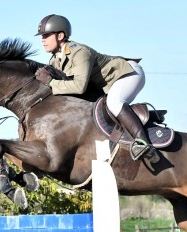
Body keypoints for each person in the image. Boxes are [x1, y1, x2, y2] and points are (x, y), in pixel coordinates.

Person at [34, 14, 158, 162]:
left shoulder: (79, 52)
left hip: (128, 74)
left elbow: (79, 86)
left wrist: (51, 82)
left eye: (46, 35)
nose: (42, 40)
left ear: (60, 35)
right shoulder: (55, 60)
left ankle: (143, 143)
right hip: (108, 84)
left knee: (114, 103)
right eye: (42, 36)